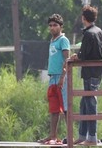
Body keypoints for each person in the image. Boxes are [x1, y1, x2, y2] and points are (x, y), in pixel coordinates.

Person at [69, 5, 102, 146]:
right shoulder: (99, 31)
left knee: (90, 102)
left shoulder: (89, 33)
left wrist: (75, 56)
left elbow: (83, 55)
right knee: (84, 103)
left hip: (91, 72)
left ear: (83, 18)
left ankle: (92, 137)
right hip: (96, 71)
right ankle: (82, 135)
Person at [38, 14, 70, 145]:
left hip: (62, 77)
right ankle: (53, 136)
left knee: (66, 107)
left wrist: (63, 77)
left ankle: (70, 136)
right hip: (52, 78)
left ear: (61, 26)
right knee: (54, 108)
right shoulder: (52, 41)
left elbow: (67, 60)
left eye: (55, 25)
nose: (52, 28)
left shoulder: (63, 40)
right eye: (50, 25)